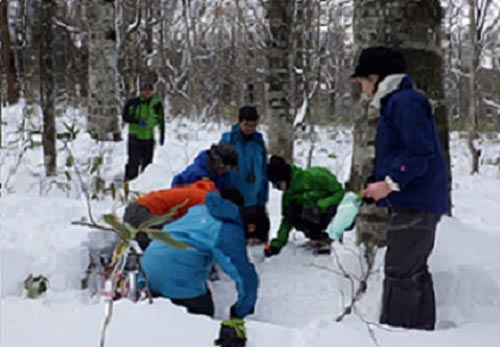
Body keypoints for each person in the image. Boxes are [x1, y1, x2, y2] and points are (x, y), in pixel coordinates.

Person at [352, 46, 449, 330]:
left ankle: (396, 337)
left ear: (375, 77)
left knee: (399, 273)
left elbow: (419, 153)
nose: (362, 88)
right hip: (415, 200)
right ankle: (420, 334)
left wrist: (391, 183)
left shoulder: (404, 103)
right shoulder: (398, 102)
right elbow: (402, 152)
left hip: (416, 201)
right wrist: (378, 183)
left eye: (362, 81)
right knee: (412, 271)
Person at [140, 191, 258, 337]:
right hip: (175, 275)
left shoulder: (202, 209)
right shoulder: (229, 232)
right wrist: (240, 311)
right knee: (201, 322)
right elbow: (245, 276)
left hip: (148, 266)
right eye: (253, 241)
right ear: (251, 228)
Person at [264, 155, 345, 256]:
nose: (278, 189)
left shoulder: (317, 176)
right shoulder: (289, 196)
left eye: (278, 184)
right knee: (292, 211)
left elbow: (340, 193)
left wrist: (322, 204)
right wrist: (276, 245)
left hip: (331, 215)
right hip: (313, 222)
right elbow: (287, 221)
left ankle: (333, 237)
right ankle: (317, 238)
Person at [220, 106, 270, 244]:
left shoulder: (259, 142)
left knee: (260, 236)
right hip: (234, 195)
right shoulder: (228, 140)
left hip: (254, 196)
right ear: (239, 122)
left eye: (253, 125)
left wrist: (263, 197)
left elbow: (263, 171)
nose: (250, 128)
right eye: (246, 125)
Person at [123, 180, 218, 250]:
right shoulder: (206, 199)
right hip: (143, 212)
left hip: (136, 210)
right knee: (177, 234)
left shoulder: (197, 192)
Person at [122, 78, 165, 181]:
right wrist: (137, 121)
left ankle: (144, 185)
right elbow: (125, 116)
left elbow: (161, 120)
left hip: (149, 138)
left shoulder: (157, 104)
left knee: (147, 164)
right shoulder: (133, 103)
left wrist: (162, 135)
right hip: (135, 136)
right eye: (144, 90)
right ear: (140, 91)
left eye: (149, 90)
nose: (147, 93)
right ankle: (128, 183)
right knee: (133, 162)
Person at [171, 143, 238, 190]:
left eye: (229, 169)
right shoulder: (195, 175)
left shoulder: (222, 174)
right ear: (216, 162)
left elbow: (224, 187)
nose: (224, 171)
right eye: (224, 168)